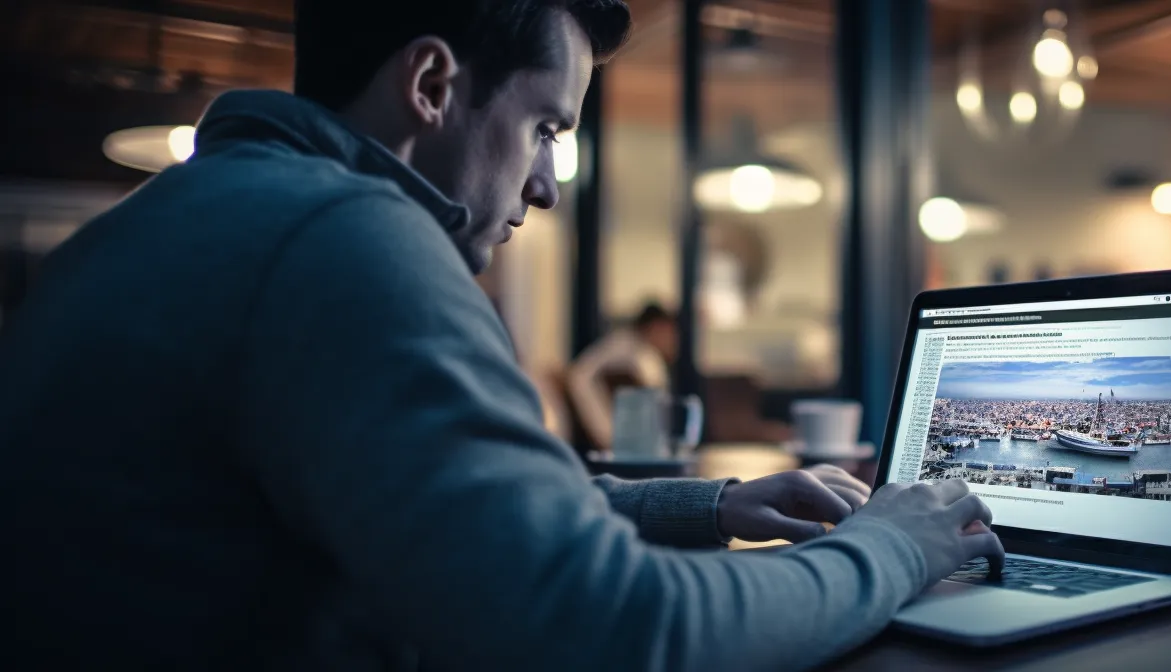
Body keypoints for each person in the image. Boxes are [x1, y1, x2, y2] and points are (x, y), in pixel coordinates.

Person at [0, 1, 1001, 669]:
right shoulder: (340, 235)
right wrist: (888, 551)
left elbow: (434, 499)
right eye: (546, 130)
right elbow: (610, 630)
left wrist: (714, 504)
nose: (547, 187)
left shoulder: (175, 216)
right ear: (431, 85)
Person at [566, 302, 676, 450]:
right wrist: (605, 433)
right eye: (666, 332)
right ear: (653, 327)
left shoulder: (652, 360)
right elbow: (580, 375)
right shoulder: (622, 348)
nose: (672, 340)